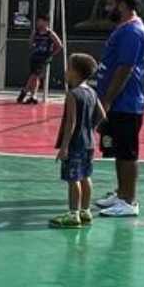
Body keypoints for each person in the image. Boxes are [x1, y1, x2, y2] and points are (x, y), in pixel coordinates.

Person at [93, 0, 144, 218]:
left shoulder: (132, 31)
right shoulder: (123, 28)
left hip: (126, 104)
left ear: (122, 5)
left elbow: (125, 68)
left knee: (127, 153)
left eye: (110, 4)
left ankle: (129, 201)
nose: (107, 8)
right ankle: (121, 193)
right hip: (118, 103)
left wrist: (107, 99)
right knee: (118, 150)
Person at [50, 53, 106, 229]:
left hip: (75, 144)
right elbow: (102, 115)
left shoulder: (72, 94)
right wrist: (89, 128)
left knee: (73, 179)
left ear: (75, 72)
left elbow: (71, 123)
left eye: (68, 68)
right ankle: (85, 211)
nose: (65, 71)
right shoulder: (92, 92)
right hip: (89, 143)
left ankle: (73, 214)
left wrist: (64, 147)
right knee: (86, 176)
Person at [18, 15, 64, 105]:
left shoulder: (50, 33)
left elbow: (59, 45)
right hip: (35, 56)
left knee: (34, 75)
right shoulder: (36, 32)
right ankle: (33, 96)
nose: (38, 23)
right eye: (38, 21)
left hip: (43, 58)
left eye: (40, 21)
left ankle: (24, 92)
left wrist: (51, 54)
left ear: (46, 22)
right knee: (35, 76)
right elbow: (30, 43)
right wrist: (33, 44)